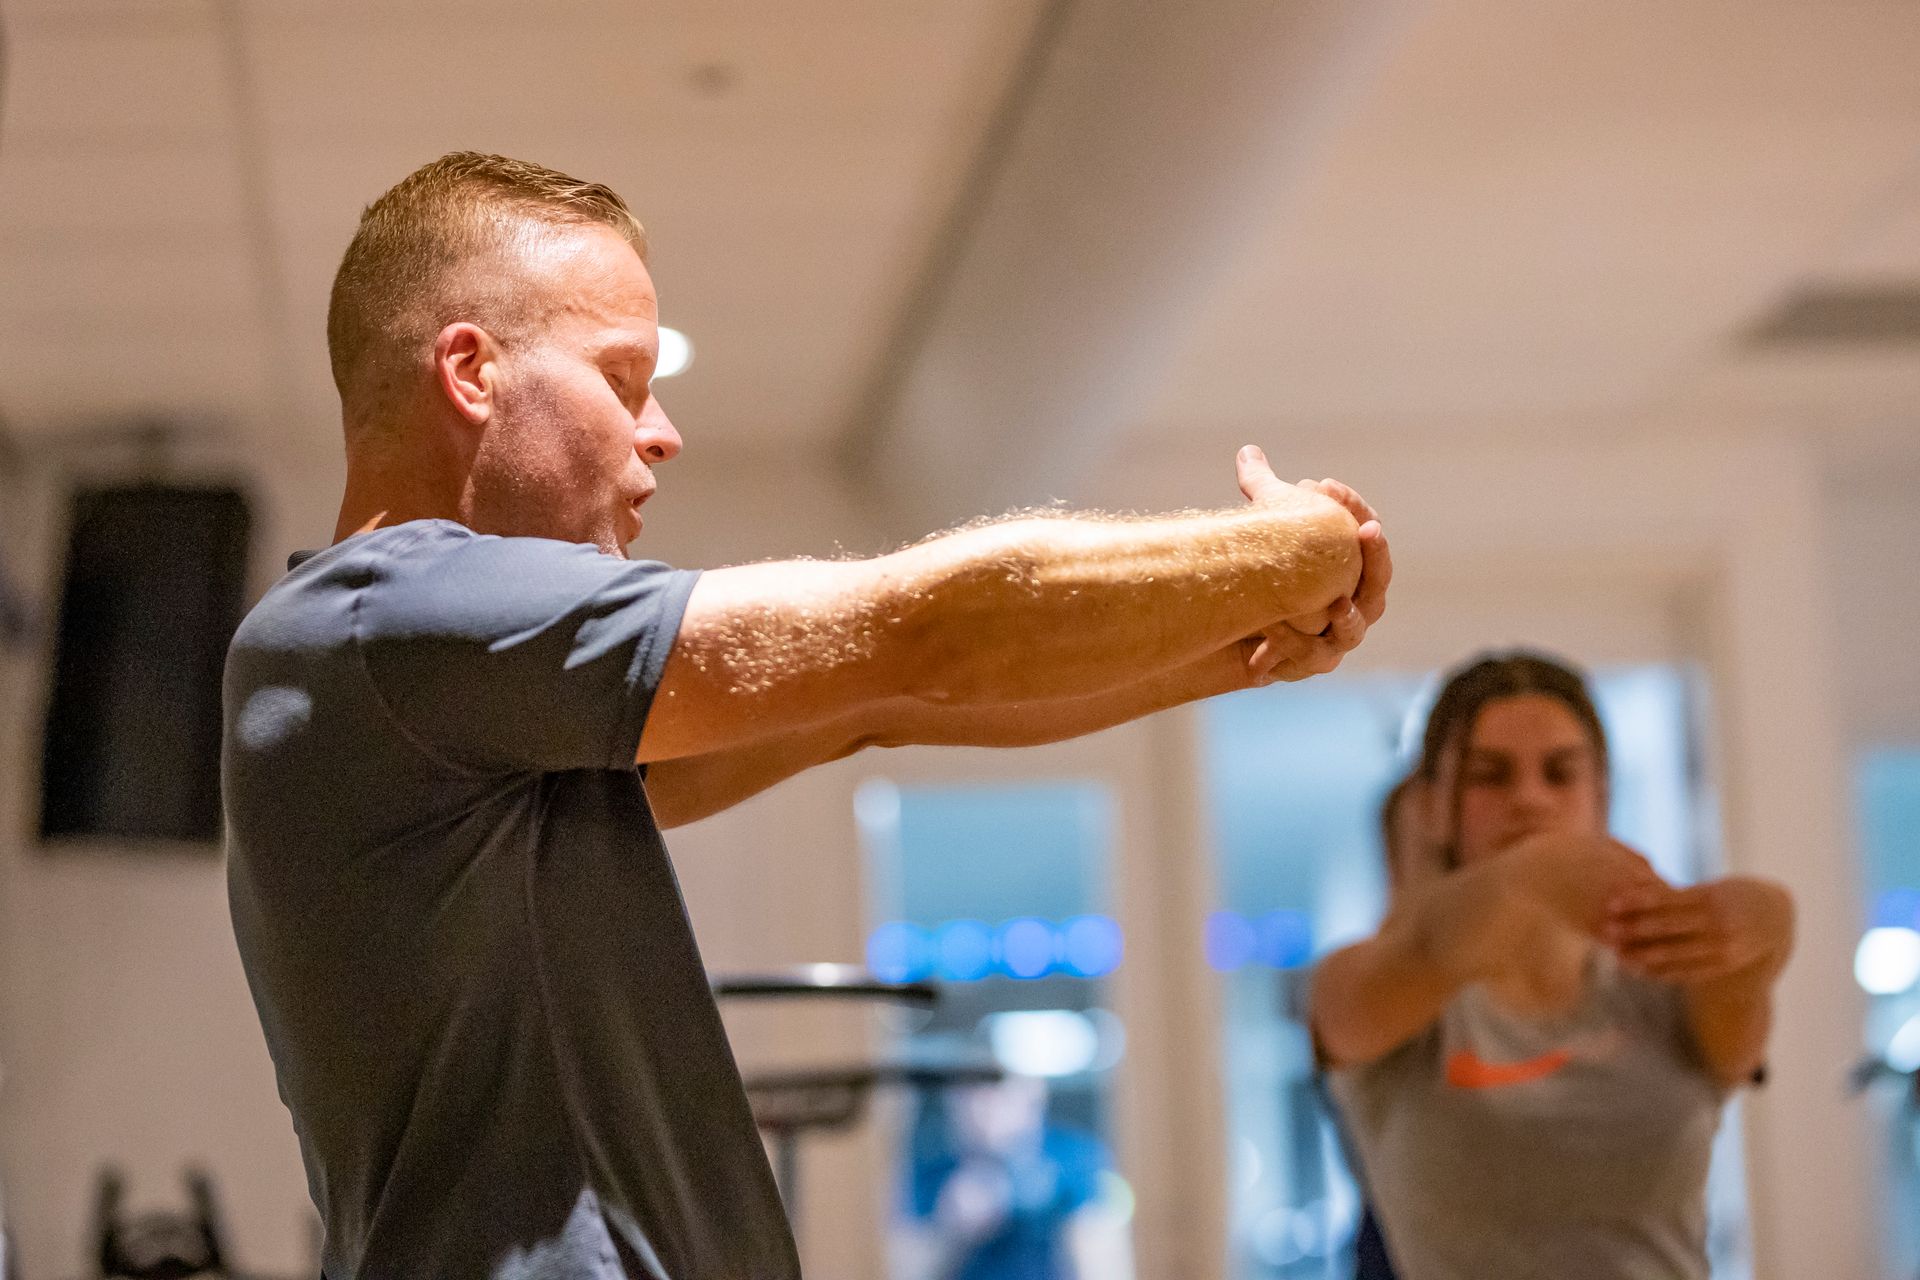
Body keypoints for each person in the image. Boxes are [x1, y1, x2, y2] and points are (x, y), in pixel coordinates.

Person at [222, 152, 1393, 1280]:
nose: (660, 430)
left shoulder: (452, 700)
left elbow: (876, 704)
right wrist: (1294, 550)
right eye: (622, 379)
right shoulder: (389, 617)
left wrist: (1244, 650)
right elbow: (918, 631)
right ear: (473, 372)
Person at [1310, 652, 1794, 1280]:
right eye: (1490, 776)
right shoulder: (1378, 988)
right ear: (1430, 808)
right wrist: (1529, 876)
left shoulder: (1663, 979)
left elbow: (1740, 1009)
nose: (1530, 799)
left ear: (1603, 794)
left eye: (1560, 773)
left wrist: (1768, 926)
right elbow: (1425, 949)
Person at [896, 1076, 1131, 1280]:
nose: (981, 1107)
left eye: (995, 1090)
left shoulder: (1077, 1159)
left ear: (1032, 1092)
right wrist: (952, 1231)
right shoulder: (933, 1174)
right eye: (969, 1093)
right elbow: (900, 1269)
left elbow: (1108, 1262)